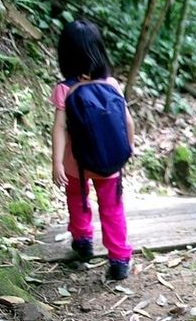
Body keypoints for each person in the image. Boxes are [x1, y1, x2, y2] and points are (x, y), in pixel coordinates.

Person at [50, 20, 134, 280]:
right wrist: (126, 151)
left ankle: (83, 240)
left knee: (77, 199)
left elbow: (60, 128)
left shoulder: (64, 89)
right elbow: (128, 122)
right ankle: (119, 258)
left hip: (76, 164)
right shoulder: (111, 84)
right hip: (108, 164)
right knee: (112, 207)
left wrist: (57, 163)